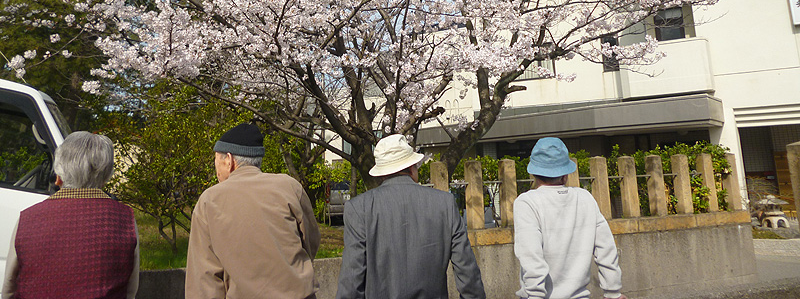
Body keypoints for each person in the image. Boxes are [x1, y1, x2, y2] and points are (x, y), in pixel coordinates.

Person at [335, 134, 486, 299]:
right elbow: (467, 272)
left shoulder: (359, 208)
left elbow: (351, 280)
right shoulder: (445, 203)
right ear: (412, 166)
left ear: (381, 173)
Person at [185, 122, 321, 299]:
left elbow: (204, 278)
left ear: (229, 160)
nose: (216, 168)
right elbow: (311, 240)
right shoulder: (289, 187)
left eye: (216, 160)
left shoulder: (209, 200)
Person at [2, 131, 139, 299]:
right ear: (106, 175)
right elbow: (130, 291)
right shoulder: (126, 219)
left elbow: (9, 288)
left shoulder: (27, 218)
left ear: (59, 173)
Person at [513, 137, 626, 299]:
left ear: (533, 173)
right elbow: (606, 249)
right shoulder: (585, 198)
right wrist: (613, 292)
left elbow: (531, 256)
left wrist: (534, 295)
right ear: (565, 175)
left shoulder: (527, 202)